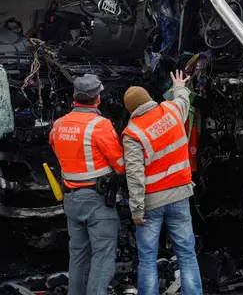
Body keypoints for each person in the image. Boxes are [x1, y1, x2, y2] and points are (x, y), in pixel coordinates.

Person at [121, 70, 202, 295]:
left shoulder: (133, 133)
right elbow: (183, 99)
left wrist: (136, 208)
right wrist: (179, 85)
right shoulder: (170, 110)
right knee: (187, 254)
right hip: (180, 196)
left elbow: (135, 175)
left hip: (151, 204)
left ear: (131, 110)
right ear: (148, 98)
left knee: (147, 258)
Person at [49, 74, 126, 295]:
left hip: (71, 200)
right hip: (97, 201)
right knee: (102, 256)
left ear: (75, 98)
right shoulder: (99, 125)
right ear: (98, 98)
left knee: (78, 256)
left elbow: (57, 149)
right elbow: (120, 165)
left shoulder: (58, 124)